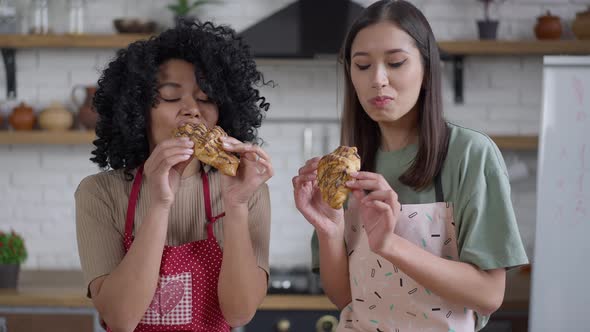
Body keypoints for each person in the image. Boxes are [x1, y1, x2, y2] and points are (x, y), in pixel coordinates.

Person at [292, 1, 528, 331]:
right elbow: (345, 296)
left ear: (428, 69)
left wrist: (390, 244)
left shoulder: (468, 154)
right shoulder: (345, 167)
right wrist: (329, 229)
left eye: (396, 62)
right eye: (362, 66)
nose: (378, 79)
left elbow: (488, 294)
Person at [75, 21, 273, 332]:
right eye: (170, 95)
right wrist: (160, 204)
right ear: (139, 108)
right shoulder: (100, 193)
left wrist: (236, 206)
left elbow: (239, 314)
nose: (192, 110)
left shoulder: (249, 190)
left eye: (206, 97)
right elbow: (120, 318)